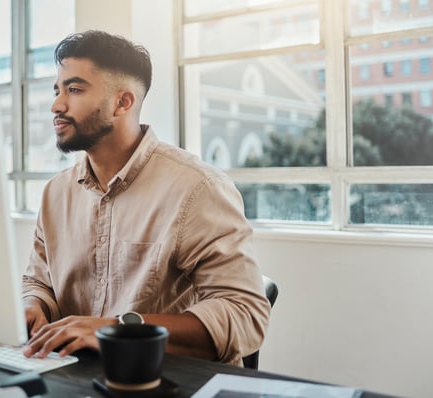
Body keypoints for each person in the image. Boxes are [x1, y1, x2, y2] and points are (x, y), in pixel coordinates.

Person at [21, 30, 270, 365]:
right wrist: (30, 308)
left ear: (123, 102)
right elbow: (39, 282)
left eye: (75, 89)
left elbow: (245, 314)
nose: (56, 105)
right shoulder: (55, 193)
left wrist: (116, 331)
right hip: (76, 377)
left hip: (167, 382)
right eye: (57, 90)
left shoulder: (198, 188)